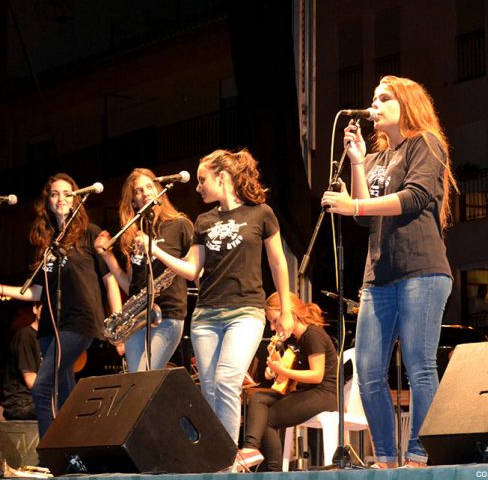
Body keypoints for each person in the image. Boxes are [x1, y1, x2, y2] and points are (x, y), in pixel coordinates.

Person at [320, 75, 456, 468]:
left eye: (383, 99)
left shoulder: (425, 143)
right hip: (378, 276)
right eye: (372, 99)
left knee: (419, 365)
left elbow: (414, 198)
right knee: (367, 372)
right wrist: (359, 163)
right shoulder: (378, 158)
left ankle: (418, 456)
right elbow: (364, 215)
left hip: (422, 270)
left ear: (406, 105)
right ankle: (384, 460)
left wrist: (354, 206)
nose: (373, 106)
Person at [135, 148, 294, 442]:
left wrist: (286, 309)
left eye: (202, 180)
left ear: (221, 177)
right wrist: (154, 250)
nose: (198, 187)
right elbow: (192, 269)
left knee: (227, 381)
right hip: (206, 315)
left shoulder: (261, 213)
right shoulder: (204, 221)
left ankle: (228, 462)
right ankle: (216, 457)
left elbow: (278, 262)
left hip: (245, 312)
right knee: (209, 390)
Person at [0, 172, 121, 438]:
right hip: (49, 328)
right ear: (48, 201)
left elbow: (110, 280)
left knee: (43, 389)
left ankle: (49, 457)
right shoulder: (47, 244)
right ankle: (72, 454)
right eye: (54, 194)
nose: (60, 198)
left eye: (67, 193)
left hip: (80, 322)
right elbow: (37, 291)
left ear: (77, 198)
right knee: (64, 396)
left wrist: (119, 324)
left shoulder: (89, 233)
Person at [94, 168, 193, 371]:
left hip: (167, 314)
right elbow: (131, 285)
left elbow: (194, 270)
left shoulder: (180, 225)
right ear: (133, 201)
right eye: (138, 191)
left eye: (149, 186)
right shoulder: (133, 233)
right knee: (134, 380)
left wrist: (155, 250)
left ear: (159, 190)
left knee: (143, 377)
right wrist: (108, 256)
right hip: (137, 318)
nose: (145, 193)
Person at [236, 292, 338, 472]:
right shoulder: (294, 339)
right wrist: (275, 372)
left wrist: (282, 370)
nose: (272, 326)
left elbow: (317, 375)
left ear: (289, 313)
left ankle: (272, 470)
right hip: (306, 391)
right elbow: (291, 375)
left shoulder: (312, 335)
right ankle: (251, 448)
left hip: (324, 393)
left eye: (274, 320)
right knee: (259, 398)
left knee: (267, 419)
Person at [1, 303, 41, 421]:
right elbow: (31, 381)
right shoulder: (25, 336)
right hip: (21, 403)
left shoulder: (50, 339)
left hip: (37, 400)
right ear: (35, 309)